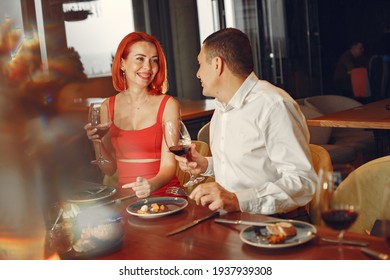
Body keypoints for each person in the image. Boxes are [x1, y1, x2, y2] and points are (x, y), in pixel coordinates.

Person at [175, 28, 317, 222]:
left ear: (217, 64)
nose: (198, 74)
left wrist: (237, 200)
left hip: (275, 224)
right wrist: (206, 164)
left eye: (200, 64)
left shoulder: (273, 105)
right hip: (231, 220)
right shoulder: (222, 108)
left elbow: (302, 182)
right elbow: (249, 164)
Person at [84, 32, 182, 198]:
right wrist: (97, 142)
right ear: (123, 63)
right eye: (140, 59)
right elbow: (109, 168)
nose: (148, 67)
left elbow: (169, 167)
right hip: (126, 198)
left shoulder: (169, 105)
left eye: (154, 60)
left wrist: (150, 185)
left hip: (164, 194)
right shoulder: (107, 107)